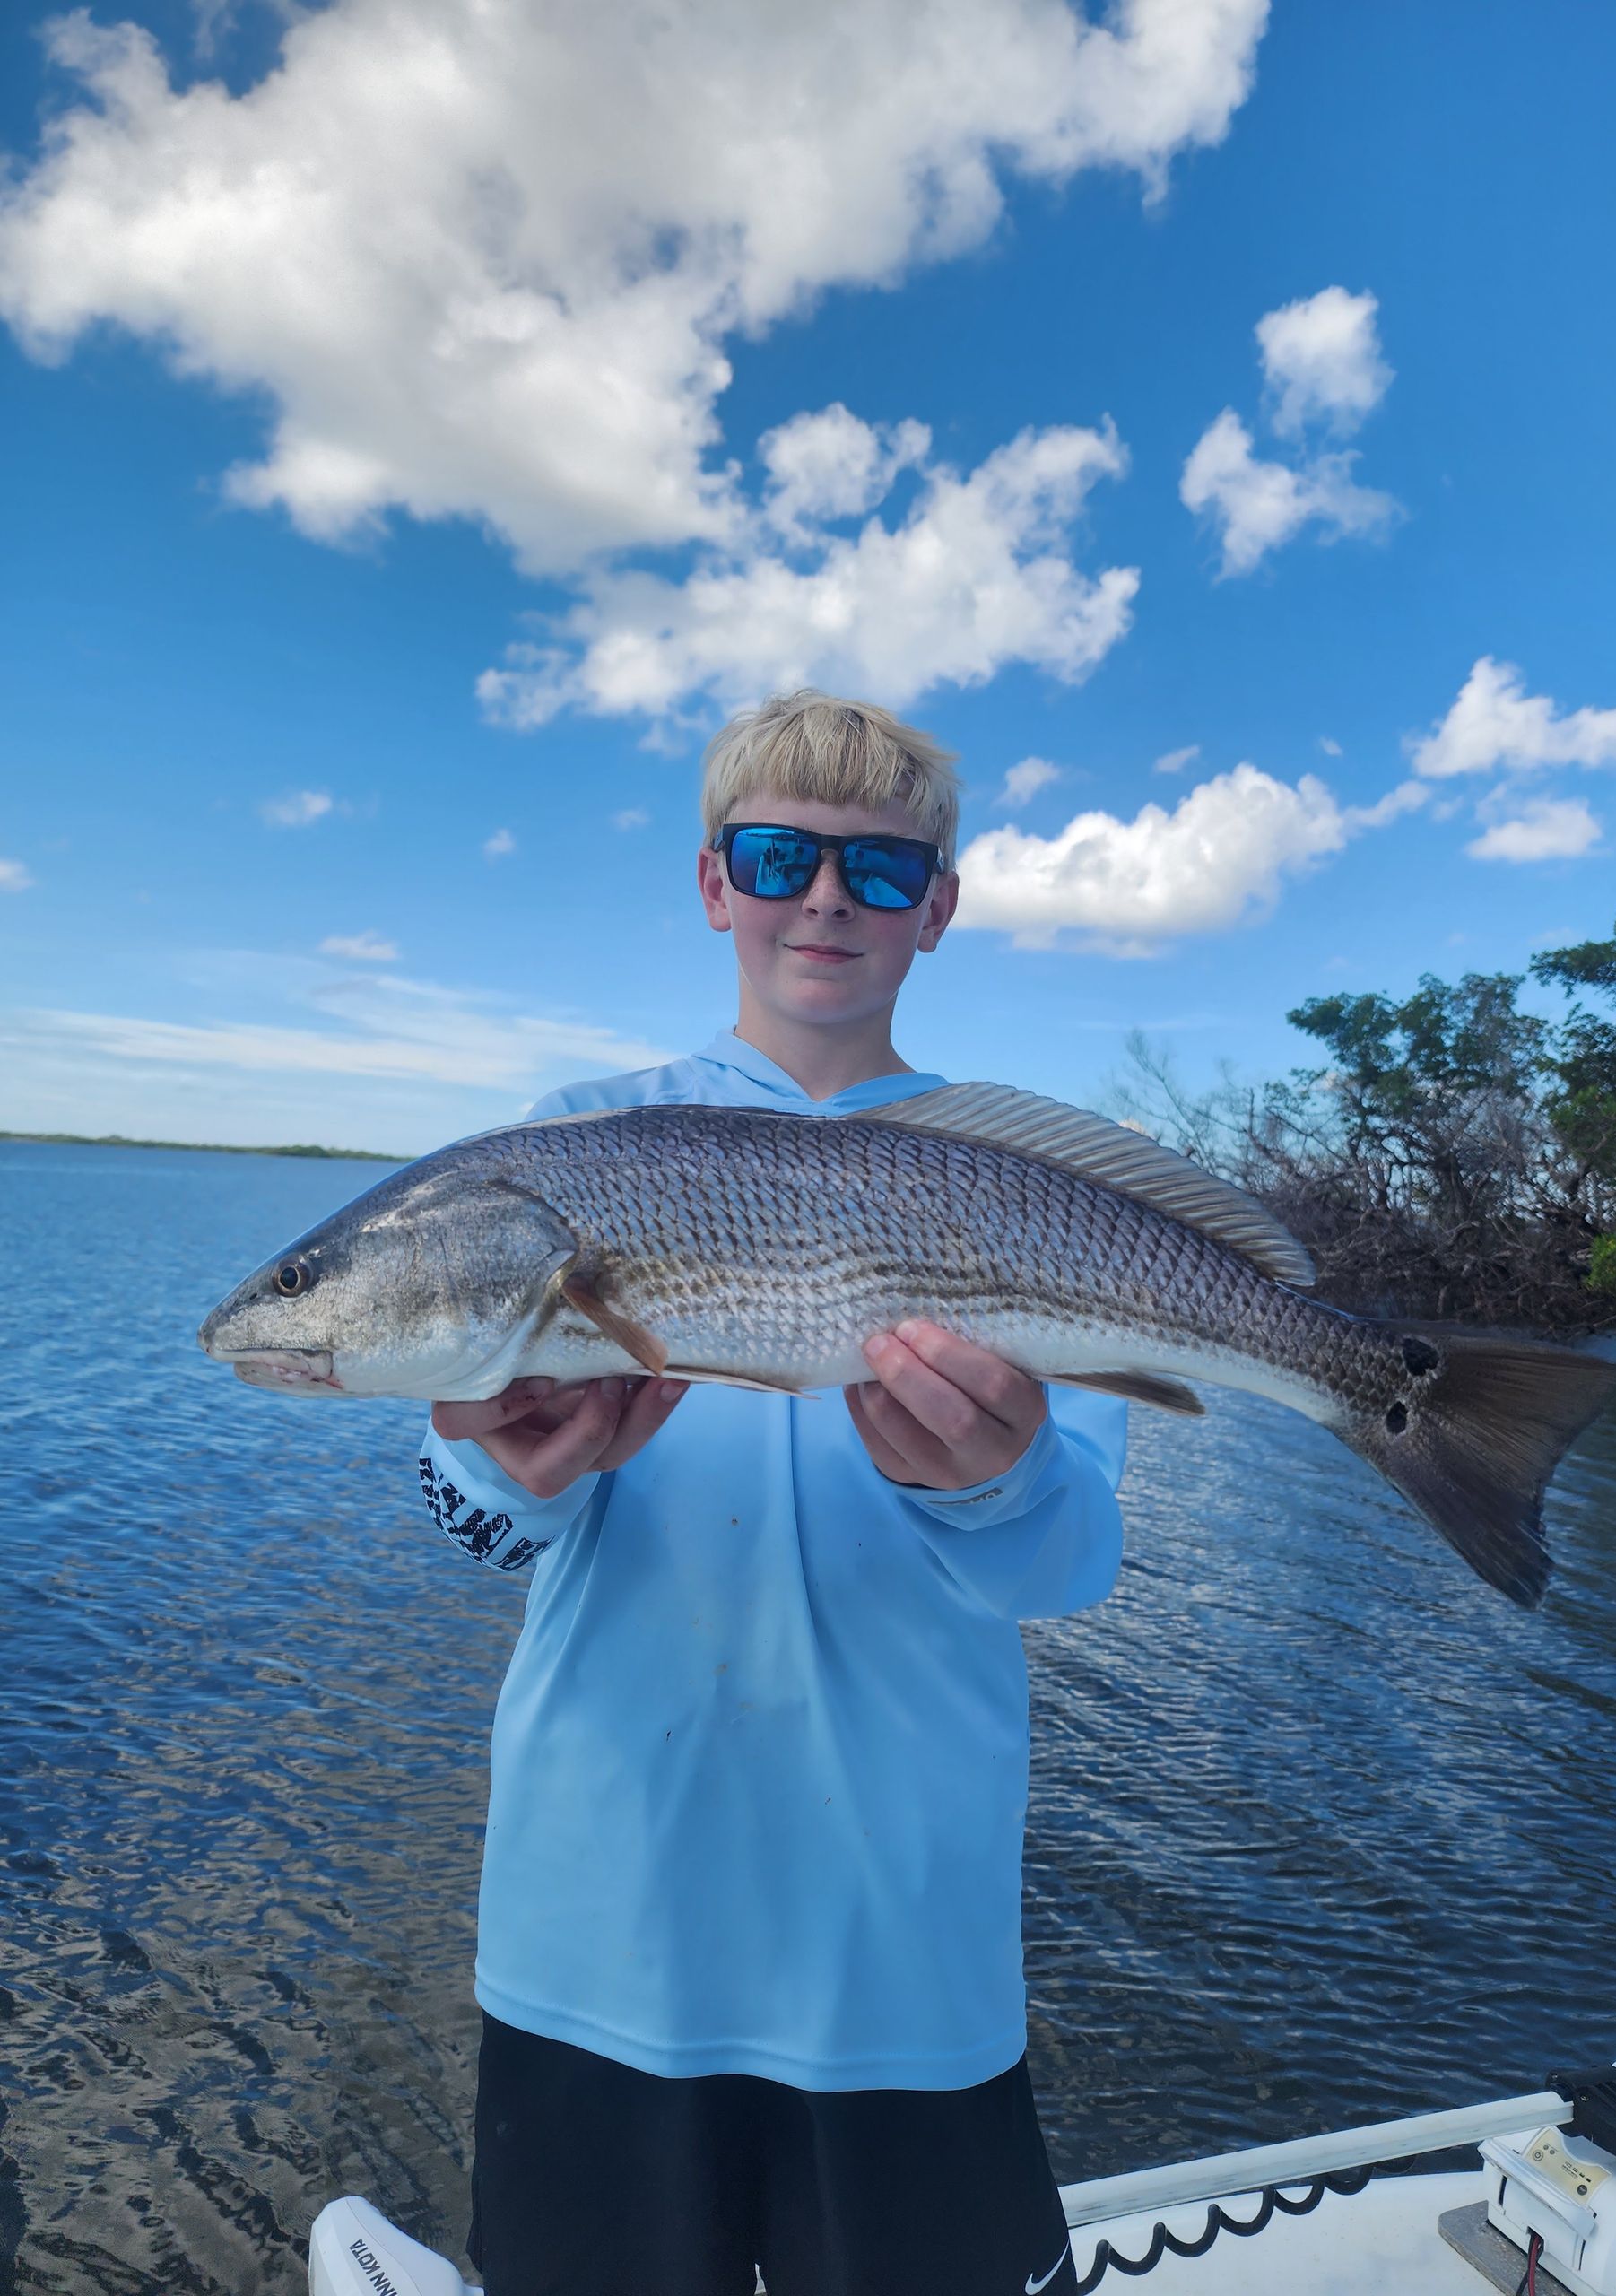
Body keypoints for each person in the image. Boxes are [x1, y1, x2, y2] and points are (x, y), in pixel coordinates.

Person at [419, 690, 1128, 2296]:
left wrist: (999, 1482)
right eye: (780, 854)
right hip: (597, 1931)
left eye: (880, 870)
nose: (826, 897)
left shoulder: (1024, 1193)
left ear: (937, 910)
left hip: (904, 1957)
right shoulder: (576, 1147)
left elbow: (1071, 1567)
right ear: (714, 882)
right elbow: (466, 1517)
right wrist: (509, 1471)